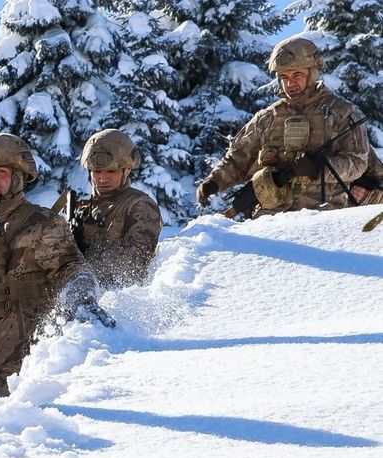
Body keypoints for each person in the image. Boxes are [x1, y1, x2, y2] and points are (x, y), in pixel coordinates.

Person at [0, 132, 108, 407]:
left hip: (20, 379)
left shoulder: (42, 224)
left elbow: (74, 271)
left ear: (19, 176)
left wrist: (79, 299)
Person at [197, 36, 369, 216]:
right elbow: (238, 158)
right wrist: (213, 183)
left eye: (297, 75)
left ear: (312, 74)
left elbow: (358, 162)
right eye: (284, 77)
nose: (290, 83)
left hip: (323, 219)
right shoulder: (267, 118)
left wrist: (320, 169)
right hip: (270, 221)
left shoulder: (342, 113)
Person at [72, 129, 162, 288]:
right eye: (97, 171)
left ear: (126, 171)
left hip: (120, 300)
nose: (102, 178)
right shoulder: (82, 210)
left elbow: (133, 267)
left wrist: (85, 254)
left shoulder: (139, 205)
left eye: (111, 171)